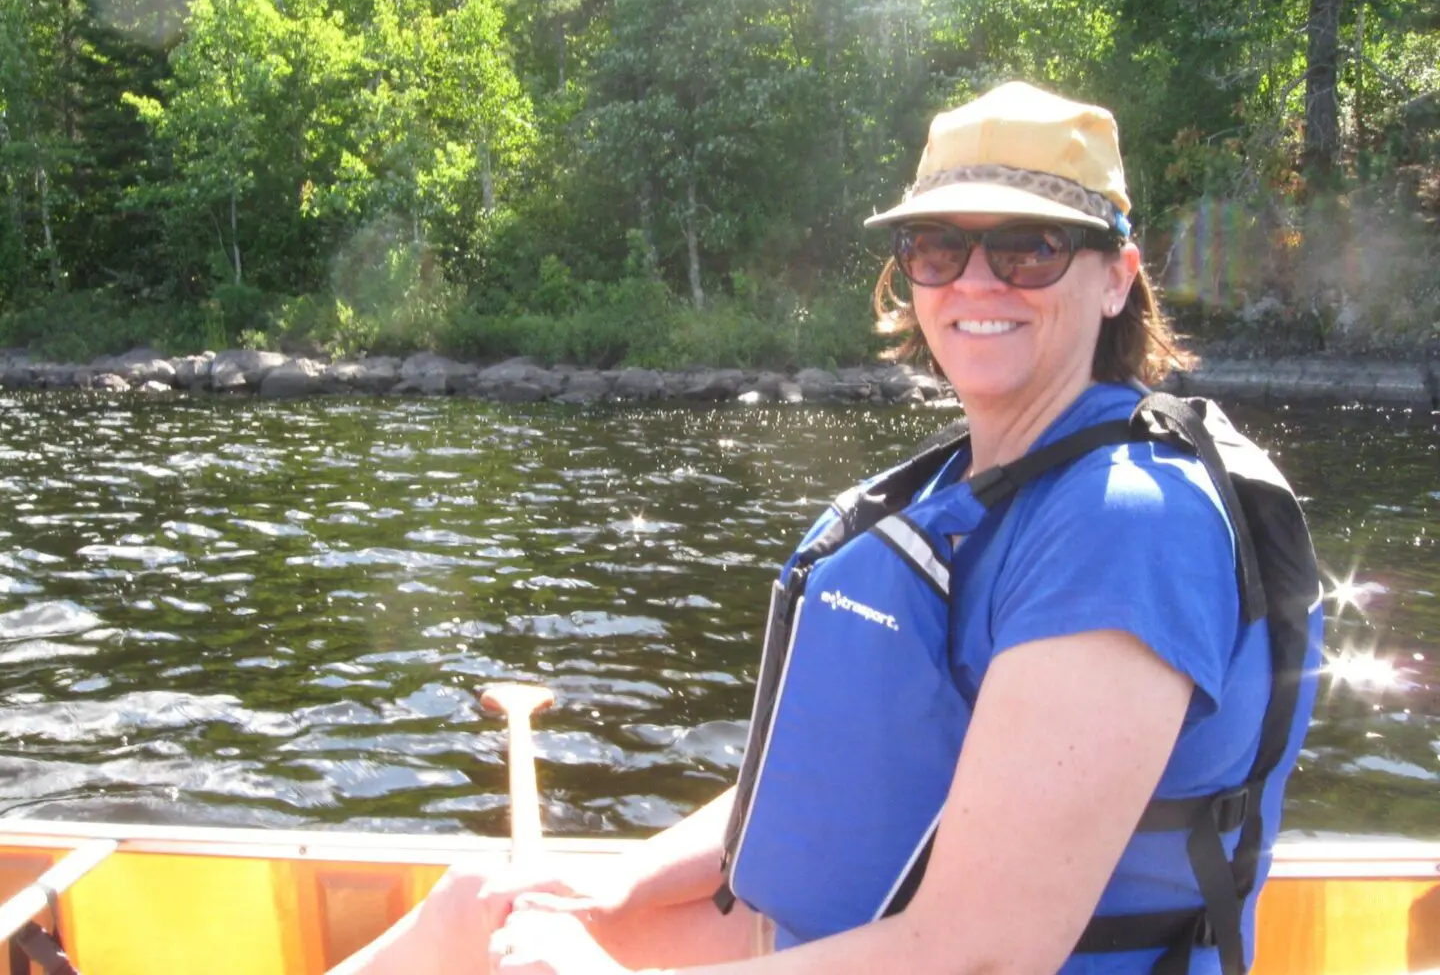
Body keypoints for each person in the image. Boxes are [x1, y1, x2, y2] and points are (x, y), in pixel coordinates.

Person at [333, 81, 1324, 975]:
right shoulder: (968, 490)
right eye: (939, 247)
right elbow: (837, 774)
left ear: (1116, 277)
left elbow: (983, 954)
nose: (977, 281)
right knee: (479, 909)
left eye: (1031, 246)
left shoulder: (1123, 528)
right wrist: (623, 886)